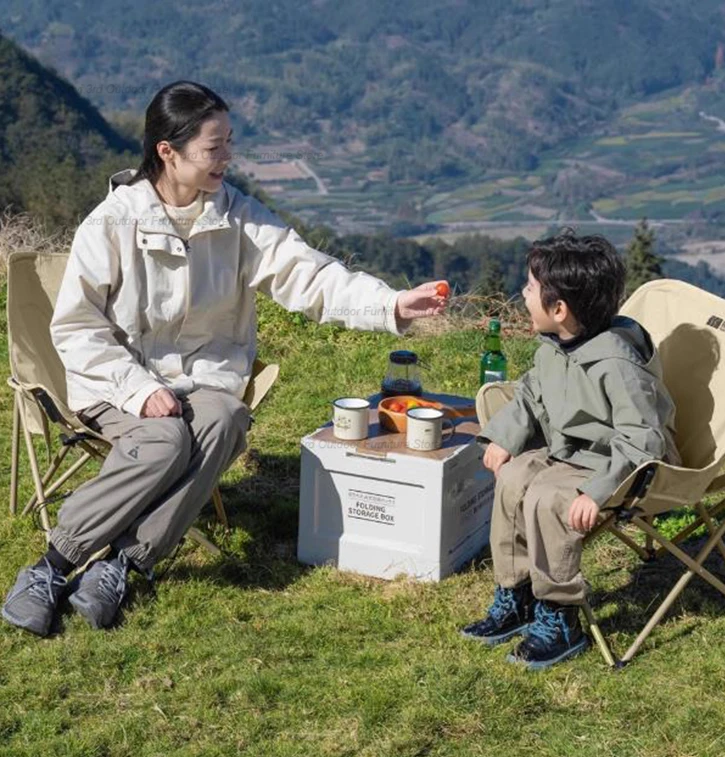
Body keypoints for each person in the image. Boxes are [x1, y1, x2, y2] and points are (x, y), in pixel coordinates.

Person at [2, 80, 448, 637]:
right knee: (165, 439)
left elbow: (305, 272)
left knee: (226, 418)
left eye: (228, 143)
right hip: (115, 384)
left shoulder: (236, 216)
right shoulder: (112, 223)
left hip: (203, 381)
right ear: (169, 151)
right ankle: (54, 566)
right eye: (214, 148)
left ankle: (121, 564)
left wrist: (391, 303)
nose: (227, 158)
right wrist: (139, 389)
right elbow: (77, 328)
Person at [461, 231, 680, 669]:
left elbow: (643, 438)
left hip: (619, 466)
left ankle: (559, 615)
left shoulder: (617, 365)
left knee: (544, 498)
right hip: (568, 450)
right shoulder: (554, 348)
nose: (521, 295)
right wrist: (504, 436)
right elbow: (530, 396)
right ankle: (517, 593)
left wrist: (596, 492)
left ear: (559, 309)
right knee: (512, 478)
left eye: (528, 288)